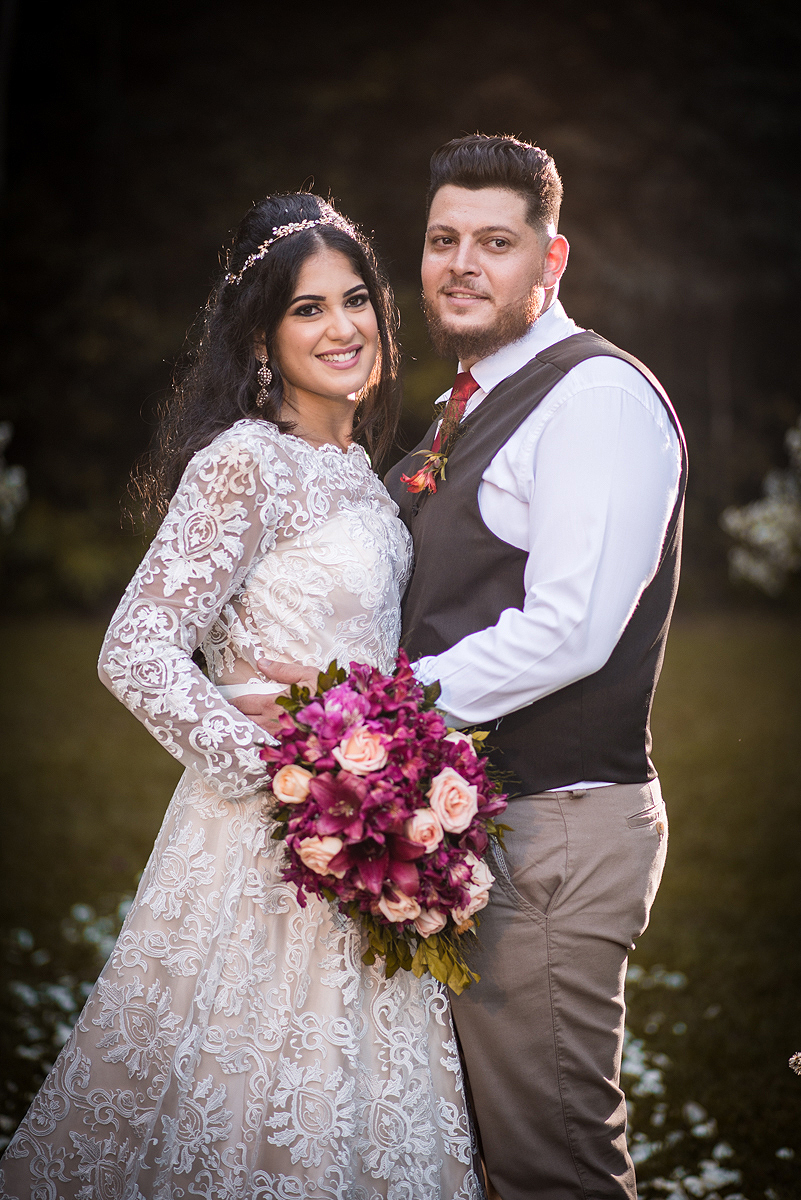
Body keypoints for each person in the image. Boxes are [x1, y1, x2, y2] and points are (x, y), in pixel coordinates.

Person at [0, 194, 484, 1199]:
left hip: (370, 844)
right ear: (263, 339)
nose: (342, 328)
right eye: (307, 310)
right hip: (265, 851)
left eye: (356, 302)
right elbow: (134, 650)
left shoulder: (361, 477)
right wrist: (283, 776)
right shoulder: (245, 465)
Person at [383, 134, 688, 1200]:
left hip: (554, 831)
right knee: (480, 1156)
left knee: (551, 1165)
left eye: (496, 243)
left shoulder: (593, 396)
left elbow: (571, 631)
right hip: (478, 826)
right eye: (442, 240)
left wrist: (372, 721)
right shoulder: (465, 405)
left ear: (551, 263)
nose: (462, 264)